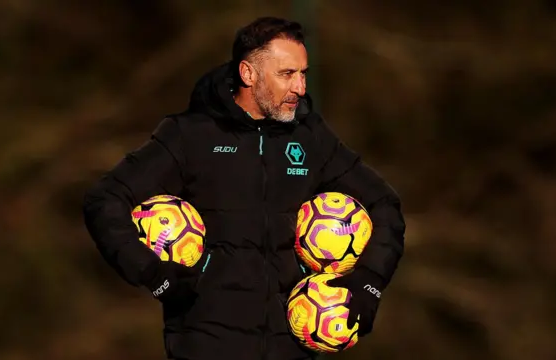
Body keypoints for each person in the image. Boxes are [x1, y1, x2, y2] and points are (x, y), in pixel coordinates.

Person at [83, 16, 405, 360]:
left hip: (291, 348)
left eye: (303, 73)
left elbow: (384, 204)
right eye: (286, 74)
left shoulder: (311, 138)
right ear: (248, 74)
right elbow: (105, 201)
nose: (299, 87)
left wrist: (369, 284)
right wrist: (153, 274)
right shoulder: (190, 136)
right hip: (207, 347)